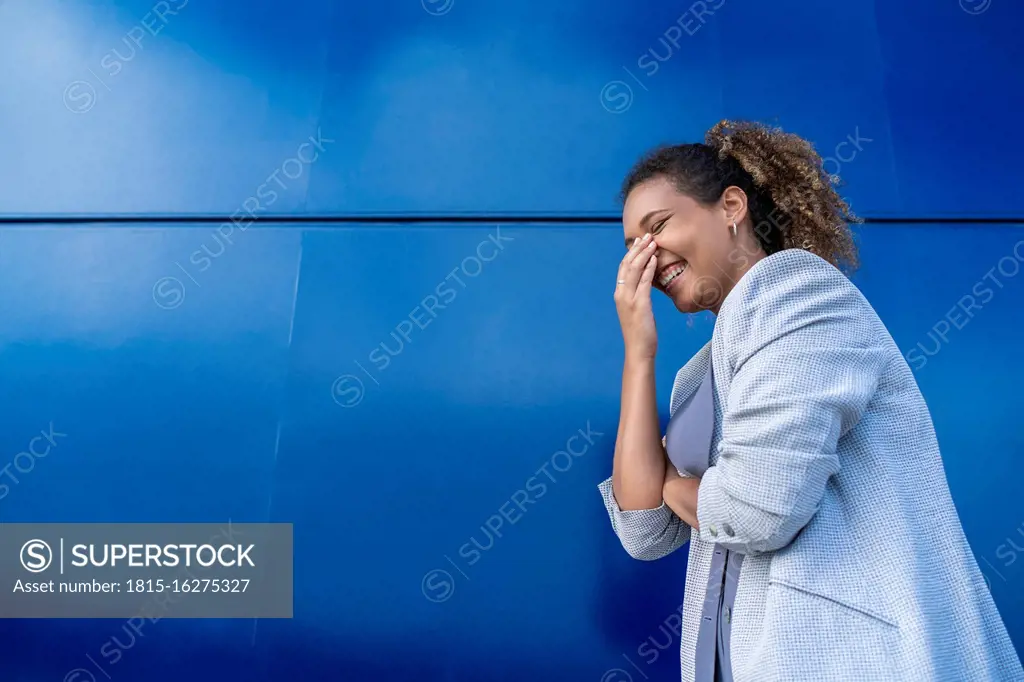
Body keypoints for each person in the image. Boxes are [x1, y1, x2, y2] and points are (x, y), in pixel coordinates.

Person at [598, 119, 1024, 682]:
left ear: (731, 206)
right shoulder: (698, 376)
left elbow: (756, 513)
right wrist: (639, 355)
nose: (645, 257)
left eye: (657, 227)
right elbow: (644, 530)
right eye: (632, 245)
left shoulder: (797, 296)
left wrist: (672, 484)